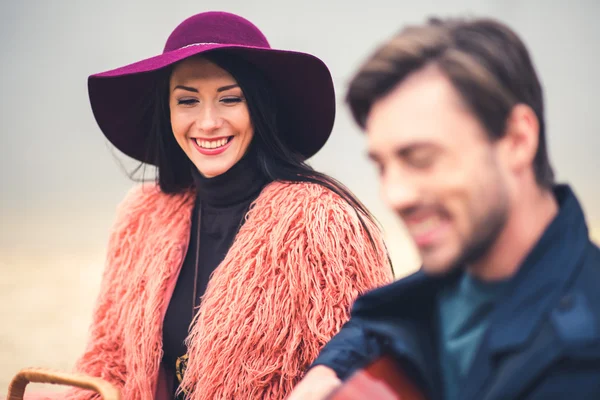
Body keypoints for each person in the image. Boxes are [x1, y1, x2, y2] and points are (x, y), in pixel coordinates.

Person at [16, 11, 395, 400]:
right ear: (167, 111)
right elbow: (109, 362)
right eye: (188, 100)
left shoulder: (321, 223)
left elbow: (363, 373)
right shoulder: (143, 217)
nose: (208, 122)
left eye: (230, 98)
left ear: (260, 109)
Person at [287, 16, 600, 400]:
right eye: (383, 166)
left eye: (420, 158)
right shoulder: (456, 277)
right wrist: (327, 369)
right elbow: (380, 319)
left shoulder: (581, 359)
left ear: (518, 140)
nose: (395, 195)